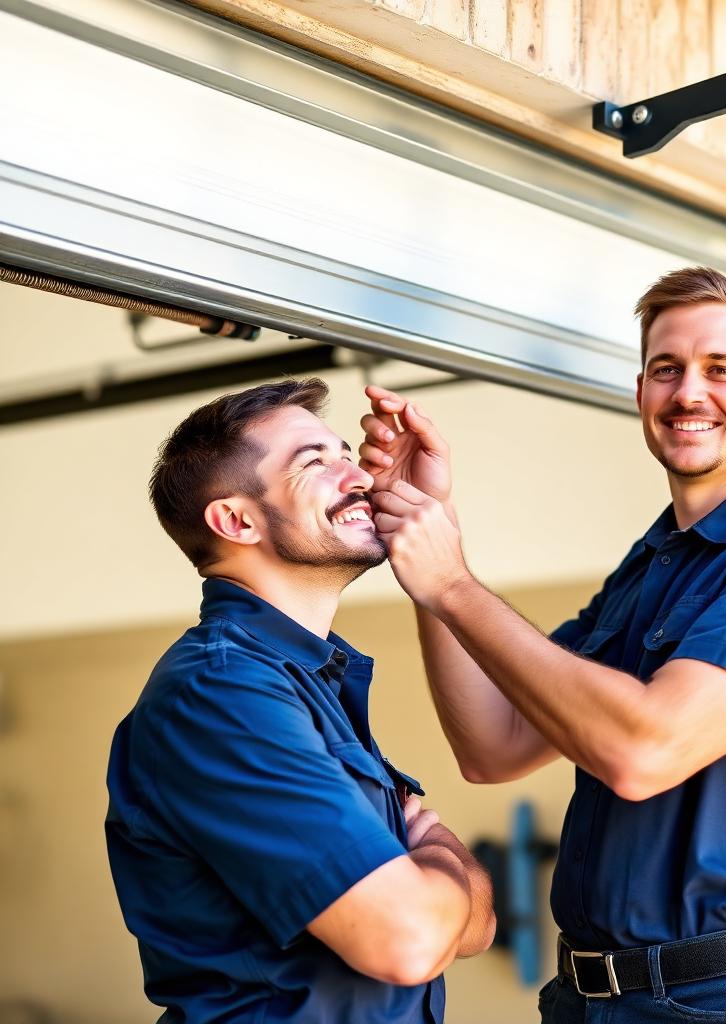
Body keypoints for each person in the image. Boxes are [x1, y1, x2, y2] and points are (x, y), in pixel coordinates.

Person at [359, 267, 726, 1023]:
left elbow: (642, 750)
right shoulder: (648, 567)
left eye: (721, 370)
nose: (688, 392)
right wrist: (427, 539)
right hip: (585, 998)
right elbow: (493, 744)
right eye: (666, 369)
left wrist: (454, 584)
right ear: (641, 389)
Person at [105, 378, 494, 1024]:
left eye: (345, 452)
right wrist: (440, 854)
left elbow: (475, 930)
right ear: (236, 520)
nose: (360, 475)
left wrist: (435, 880)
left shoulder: (305, 681)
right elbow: (411, 941)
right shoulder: (221, 694)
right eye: (316, 463)